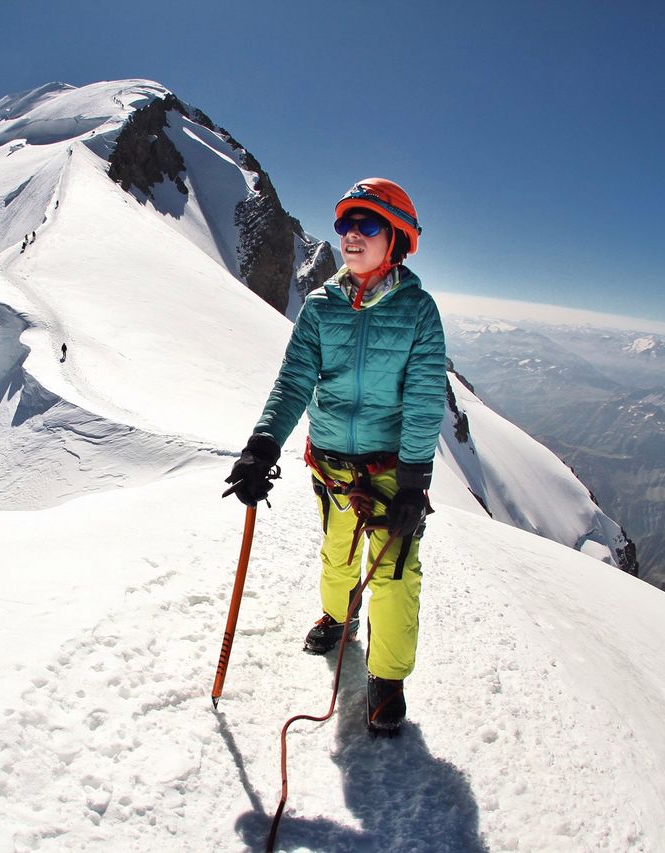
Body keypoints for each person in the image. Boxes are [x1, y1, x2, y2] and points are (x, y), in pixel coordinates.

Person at [223, 178, 446, 736]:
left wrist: (416, 485)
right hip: (332, 463)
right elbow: (294, 381)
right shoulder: (321, 307)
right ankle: (338, 616)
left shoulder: (418, 311)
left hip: (392, 468)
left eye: (367, 224)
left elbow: (422, 401)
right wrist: (262, 445)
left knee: (394, 572)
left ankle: (387, 679)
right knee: (338, 552)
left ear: (395, 238)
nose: (350, 235)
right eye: (345, 223)